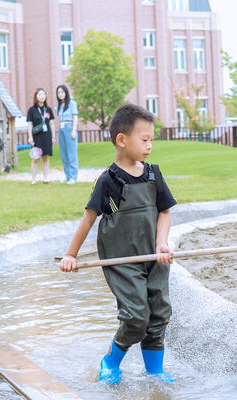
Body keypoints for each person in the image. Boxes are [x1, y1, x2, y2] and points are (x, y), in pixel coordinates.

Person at [60, 104, 177, 385]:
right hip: (122, 261)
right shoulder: (108, 181)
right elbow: (88, 220)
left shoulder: (153, 174)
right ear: (121, 139)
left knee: (158, 313)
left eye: (152, 140)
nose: (150, 146)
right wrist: (70, 255)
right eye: (144, 139)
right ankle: (110, 361)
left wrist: (162, 243)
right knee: (137, 316)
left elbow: (165, 212)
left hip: (154, 256)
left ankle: (155, 371)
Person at [27, 88, 56, 184]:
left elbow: (52, 123)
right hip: (36, 137)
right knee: (36, 158)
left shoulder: (48, 109)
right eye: (39, 94)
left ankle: (46, 178)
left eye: (43, 94)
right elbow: (29, 125)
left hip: (47, 136)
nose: (42, 96)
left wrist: (53, 137)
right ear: (36, 96)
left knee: (46, 158)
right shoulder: (32, 110)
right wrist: (30, 137)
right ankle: (33, 179)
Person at [55, 84, 79, 184]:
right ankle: (67, 175)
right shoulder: (59, 106)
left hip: (70, 128)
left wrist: (73, 130)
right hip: (61, 129)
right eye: (58, 92)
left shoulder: (72, 103)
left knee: (71, 154)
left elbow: (75, 117)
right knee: (64, 154)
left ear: (66, 93)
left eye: (62, 92)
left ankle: (73, 177)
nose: (60, 94)